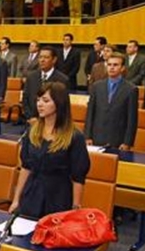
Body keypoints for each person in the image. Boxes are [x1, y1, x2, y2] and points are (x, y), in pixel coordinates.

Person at [9, 82, 90, 218]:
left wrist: (75, 207)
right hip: (31, 194)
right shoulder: (32, 132)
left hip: (58, 197)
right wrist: (16, 199)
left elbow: (78, 177)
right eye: (38, 100)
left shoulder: (75, 137)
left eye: (45, 101)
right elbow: (26, 167)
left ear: (59, 103)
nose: (39, 104)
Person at [85, 53, 138, 150]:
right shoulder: (97, 86)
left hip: (118, 140)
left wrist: (127, 142)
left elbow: (132, 119)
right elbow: (90, 113)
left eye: (115, 65)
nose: (111, 68)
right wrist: (87, 136)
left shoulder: (131, 89)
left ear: (122, 68)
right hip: (96, 138)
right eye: (109, 65)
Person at [23, 46, 69, 122]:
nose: (42, 60)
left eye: (46, 57)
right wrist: (30, 117)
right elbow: (25, 99)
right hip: (32, 122)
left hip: (53, 123)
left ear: (54, 60)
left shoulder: (62, 80)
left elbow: (63, 105)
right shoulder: (31, 77)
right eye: (40, 57)